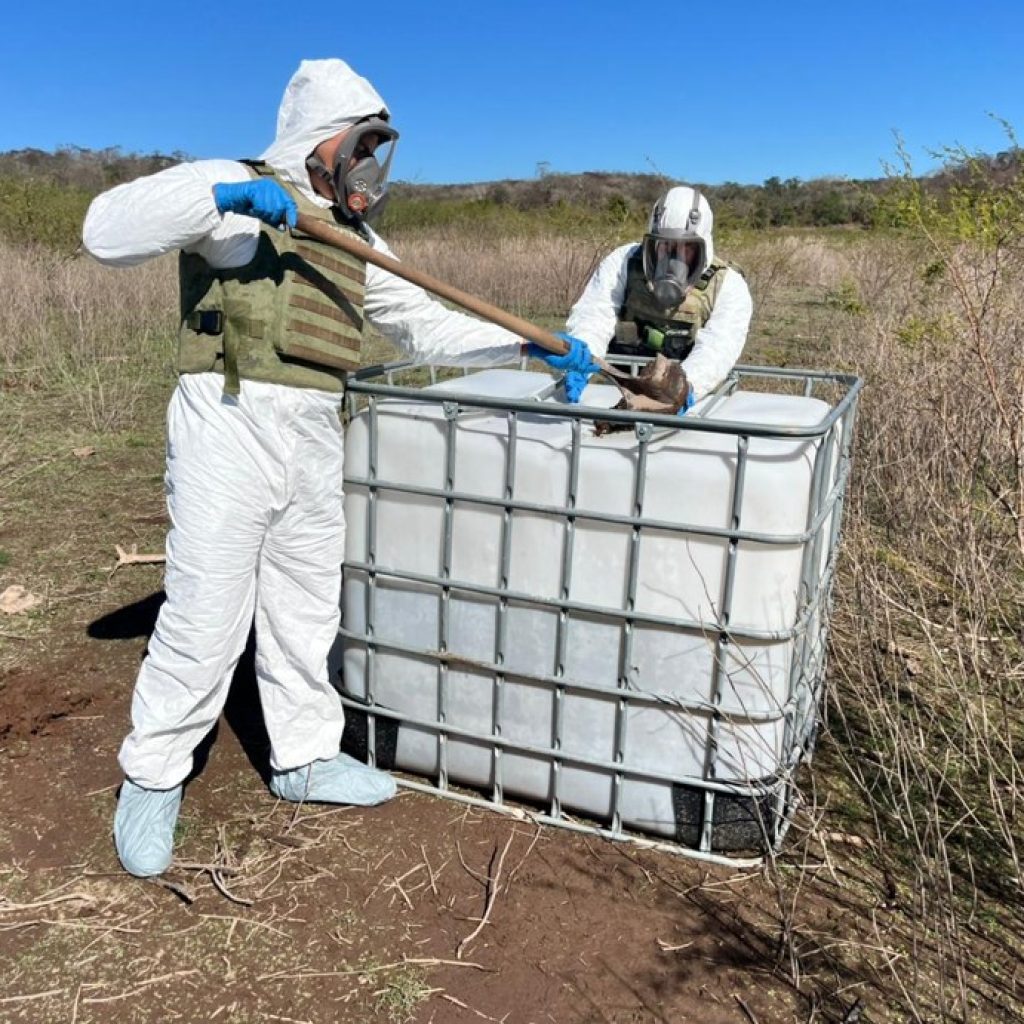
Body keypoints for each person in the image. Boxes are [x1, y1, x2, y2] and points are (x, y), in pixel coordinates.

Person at [82, 58, 598, 878]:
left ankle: (305, 757)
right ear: (320, 138)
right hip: (229, 422)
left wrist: (529, 347)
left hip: (317, 431)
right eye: (361, 145)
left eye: (378, 150)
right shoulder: (234, 188)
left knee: (306, 604)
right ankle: (153, 775)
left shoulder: (358, 242)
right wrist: (220, 199)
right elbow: (104, 231)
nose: (370, 165)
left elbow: (427, 326)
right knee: (206, 615)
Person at [565, 186, 752, 405]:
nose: (673, 260)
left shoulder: (729, 286)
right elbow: (596, 314)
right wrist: (583, 354)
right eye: (664, 245)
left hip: (689, 398)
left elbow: (718, 348)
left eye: (687, 248)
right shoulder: (623, 262)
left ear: (704, 248)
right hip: (619, 389)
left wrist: (681, 393)